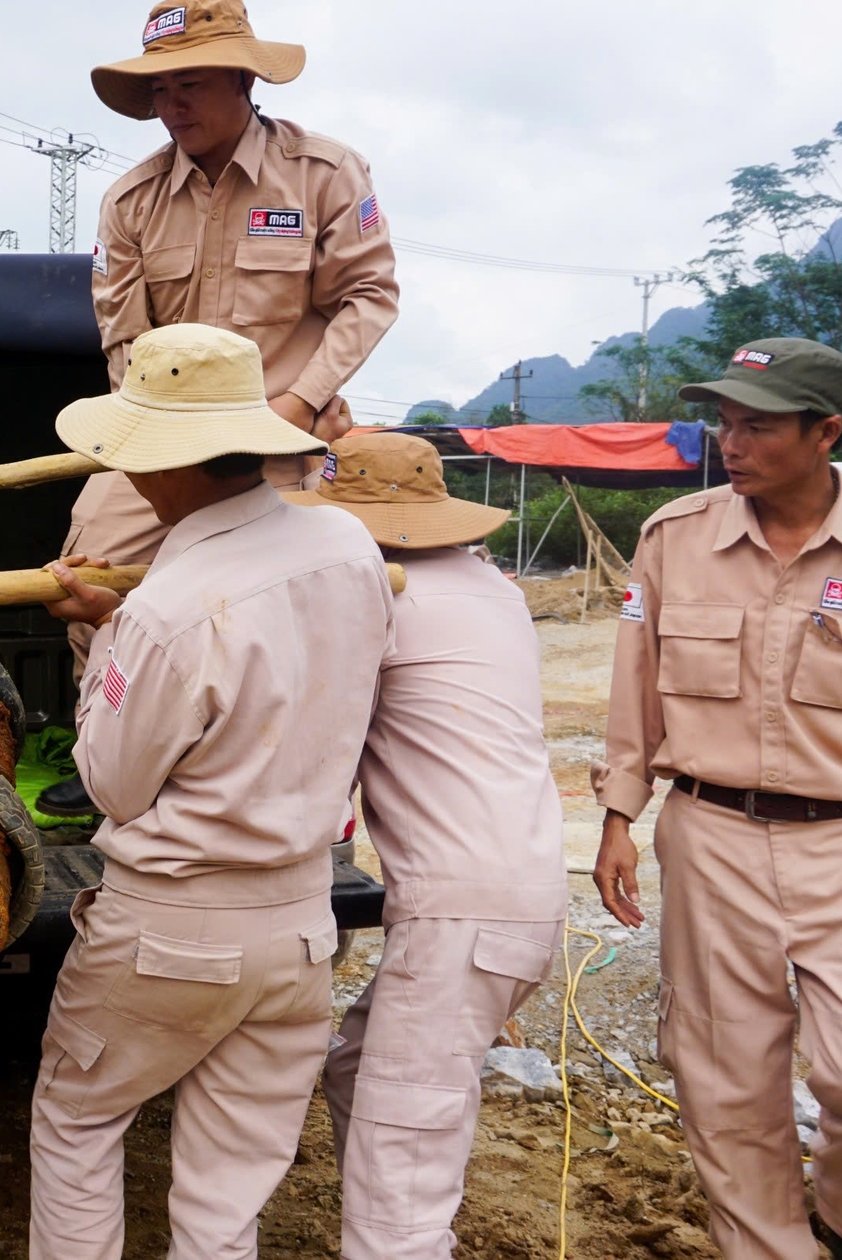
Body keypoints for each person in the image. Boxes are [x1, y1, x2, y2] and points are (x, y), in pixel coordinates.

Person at [590, 337, 842, 1260]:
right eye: (724, 423)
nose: (730, 443)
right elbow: (635, 690)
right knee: (724, 1079)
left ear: (826, 432)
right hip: (710, 838)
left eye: (758, 426)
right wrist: (619, 815)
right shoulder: (674, 540)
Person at [27, 322, 395, 1259]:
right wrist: (126, 622)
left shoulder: (163, 609)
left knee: (77, 1119)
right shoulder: (349, 545)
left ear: (163, 463)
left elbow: (112, 781)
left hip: (174, 928)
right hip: (303, 920)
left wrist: (110, 639)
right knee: (230, 1188)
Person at [58, 0, 399, 691]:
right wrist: (156, 442)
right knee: (86, 571)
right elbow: (123, 337)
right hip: (162, 441)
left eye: (191, 84)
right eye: (160, 89)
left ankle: (260, 759)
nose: (173, 105)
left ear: (244, 80)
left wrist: (301, 405)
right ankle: (110, 738)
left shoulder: (325, 175)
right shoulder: (130, 200)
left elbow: (369, 296)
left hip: (280, 440)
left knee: (293, 606)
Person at [291, 432, 567, 1259]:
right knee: (357, 1070)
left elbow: (311, 747)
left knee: (402, 1180)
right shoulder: (492, 587)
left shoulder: (383, 595)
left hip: (462, 912)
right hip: (517, 893)